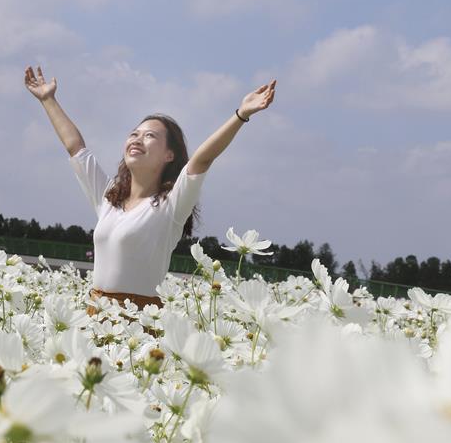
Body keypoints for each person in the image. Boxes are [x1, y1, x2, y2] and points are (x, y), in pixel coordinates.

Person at [24, 65, 276, 317]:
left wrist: (241, 115)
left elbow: (201, 160)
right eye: (134, 133)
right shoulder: (109, 198)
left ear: (169, 155)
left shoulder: (171, 207)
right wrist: (48, 99)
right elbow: (76, 148)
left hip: (140, 322)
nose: (137, 139)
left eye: (149, 136)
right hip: (95, 314)